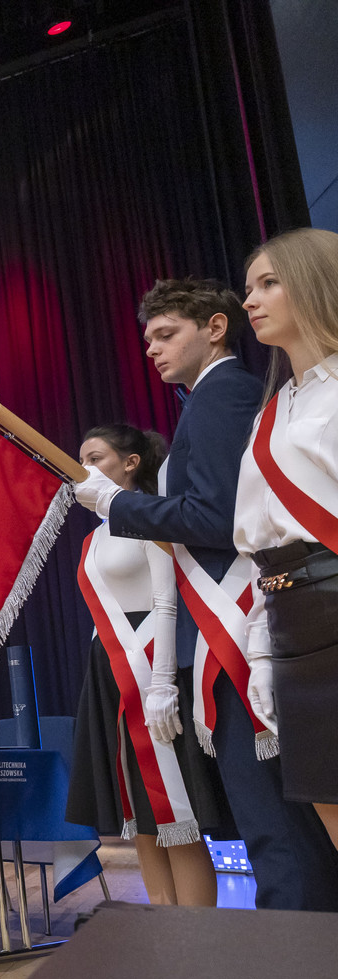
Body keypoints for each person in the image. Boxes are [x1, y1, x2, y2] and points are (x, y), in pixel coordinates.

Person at [75, 277, 338, 911]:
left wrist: (119, 505)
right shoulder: (208, 399)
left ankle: (295, 951)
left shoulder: (223, 396)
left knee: (274, 824)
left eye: (167, 334)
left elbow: (215, 519)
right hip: (225, 625)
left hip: (243, 622)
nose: (152, 349)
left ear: (215, 329)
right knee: (270, 819)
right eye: (148, 339)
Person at [66, 425, 227, 906]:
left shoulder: (151, 515)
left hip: (153, 666)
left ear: (130, 463)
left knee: (175, 810)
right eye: (81, 460)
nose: (85, 469)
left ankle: (198, 936)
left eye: (96, 458)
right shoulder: (93, 537)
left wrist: (162, 683)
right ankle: (163, 928)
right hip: (109, 673)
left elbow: (166, 600)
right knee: (139, 815)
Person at [236, 228, 338, 852]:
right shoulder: (269, 413)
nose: (250, 300)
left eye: (269, 283)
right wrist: (261, 653)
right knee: (325, 796)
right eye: (249, 287)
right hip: (290, 618)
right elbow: (258, 547)